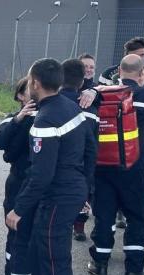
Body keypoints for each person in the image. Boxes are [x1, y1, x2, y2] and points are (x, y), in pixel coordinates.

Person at [6, 58, 89, 275]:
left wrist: (18, 209)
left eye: (29, 80)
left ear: (36, 83)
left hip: (57, 198)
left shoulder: (46, 119)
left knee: (55, 264)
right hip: (70, 192)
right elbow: (89, 148)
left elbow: (41, 175)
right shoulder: (70, 107)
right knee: (48, 258)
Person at [88, 54, 144, 275]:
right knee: (137, 216)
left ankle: (99, 264)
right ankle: (134, 268)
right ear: (141, 73)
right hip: (135, 166)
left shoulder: (101, 94)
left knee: (104, 215)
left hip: (103, 166)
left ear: (119, 72)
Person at [0, 77, 35, 275]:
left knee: (30, 236)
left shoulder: (47, 116)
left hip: (37, 184)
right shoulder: (14, 119)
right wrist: (19, 119)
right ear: (20, 96)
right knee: (15, 233)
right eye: (28, 91)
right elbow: (0, 143)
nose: (33, 94)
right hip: (18, 182)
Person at [57, 59, 99, 243]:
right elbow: (92, 148)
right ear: (81, 80)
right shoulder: (91, 108)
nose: (90, 69)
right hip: (78, 170)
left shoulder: (49, 104)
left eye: (92, 67)